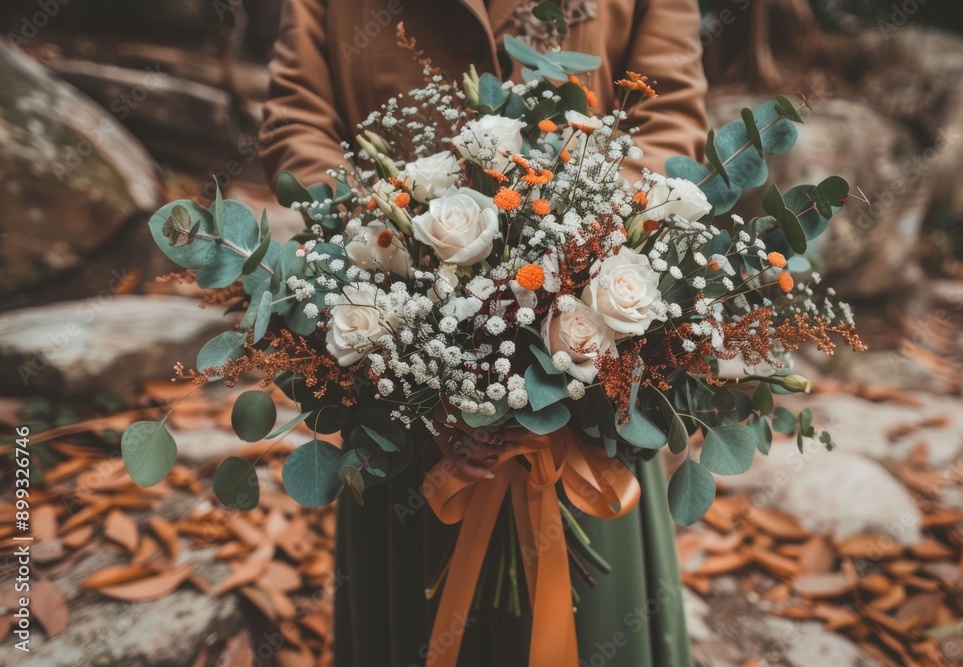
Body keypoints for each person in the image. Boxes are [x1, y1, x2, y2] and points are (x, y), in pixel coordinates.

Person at [260, 2, 708, 665]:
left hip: (587, 388)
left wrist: (584, 266)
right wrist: (390, 252)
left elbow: (669, 117)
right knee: (414, 618)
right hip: (399, 394)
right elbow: (298, 120)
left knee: (596, 631)